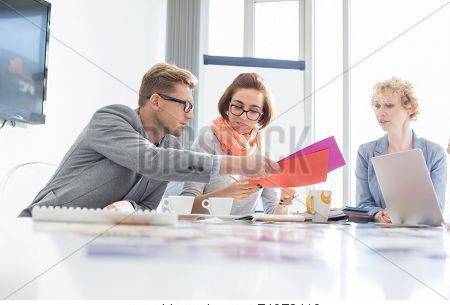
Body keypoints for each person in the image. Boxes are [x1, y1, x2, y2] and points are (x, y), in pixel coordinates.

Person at [20, 63, 280, 217]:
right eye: (185, 105)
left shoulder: (171, 145)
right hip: (45, 224)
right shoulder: (111, 118)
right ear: (156, 101)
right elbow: (152, 161)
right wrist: (240, 165)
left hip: (96, 241)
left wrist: (129, 205)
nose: (190, 114)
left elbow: (148, 205)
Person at [181, 73, 296, 215]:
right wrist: (226, 194)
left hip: (244, 234)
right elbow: (185, 206)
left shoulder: (263, 153)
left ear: (261, 116)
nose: (242, 116)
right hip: (206, 232)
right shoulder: (207, 140)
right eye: (237, 106)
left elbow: (272, 212)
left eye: (253, 111)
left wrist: (283, 202)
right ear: (227, 106)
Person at [355, 77, 447, 223]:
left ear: (409, 108)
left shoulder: (435, 153)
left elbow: (436, 208)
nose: (381, 112)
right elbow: (362, 203)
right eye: (377, 106)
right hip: (378, 237)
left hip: (421, 239)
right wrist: (379, 215)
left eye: (389, 105)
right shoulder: (366, 152)